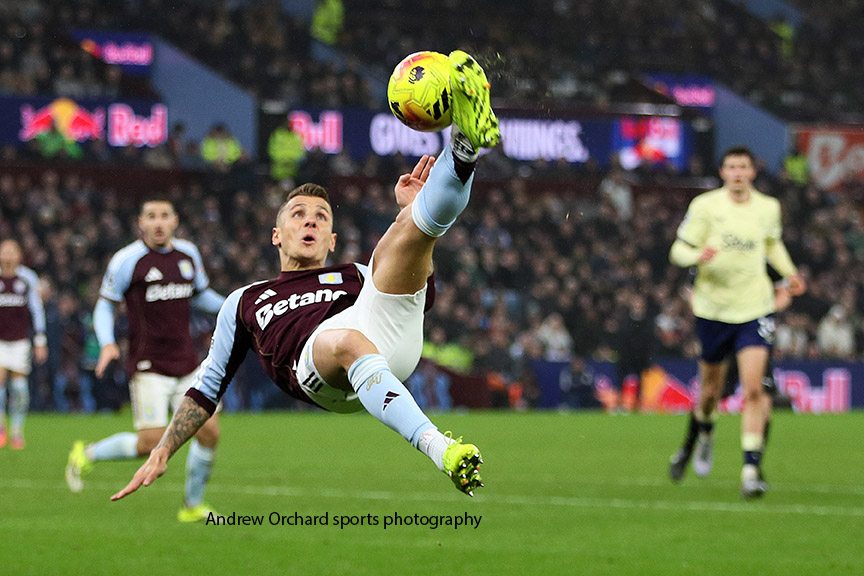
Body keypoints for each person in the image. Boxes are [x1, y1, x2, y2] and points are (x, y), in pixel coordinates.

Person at [111, 50, 500, 504]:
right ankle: (444, 450)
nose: (310, 221)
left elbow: (418, 288)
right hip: (318, 369)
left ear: (332, 239)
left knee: (408, 232)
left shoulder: (353, 275)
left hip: (387, 342)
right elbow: (207, 386)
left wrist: (410, 220)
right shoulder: (246, 300)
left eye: (321, 216)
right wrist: (162, 451)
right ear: (277, 235)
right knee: (348, 334)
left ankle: (465, 148)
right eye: (298, 214)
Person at [65, 198, 226, 523]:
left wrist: (238, 305)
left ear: (175, 220)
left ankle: (191, 506)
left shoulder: (188, 254)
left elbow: (202, 296)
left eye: (164, 216)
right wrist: (108, 343)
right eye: (151, 216)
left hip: (188, 362)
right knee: (150, 443)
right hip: (148, 365)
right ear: (141, 222)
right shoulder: (127, 260)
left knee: (209, 432)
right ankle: (87, 452)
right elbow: (104, 305)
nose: (158, 223)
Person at [666, 146, 806, 499]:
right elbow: (678, 251)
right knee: (710, 392)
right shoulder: (706, 206)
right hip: (713, 309)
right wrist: (699, 255)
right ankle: (706, 435)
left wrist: (789, 274)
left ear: (753, 172)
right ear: (723, 172)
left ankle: (749, 471)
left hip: (755, 307)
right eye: (732, 167)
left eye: (744, 166)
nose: (738, 172)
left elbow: (771, 244)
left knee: (755, 390)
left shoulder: (768, 207)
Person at [0, 239, 47, 449]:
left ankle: (17, 431)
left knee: (19, 389)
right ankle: (1, 428)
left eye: (12, 252)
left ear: (19, 255)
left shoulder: (27, 278)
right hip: (0, 342)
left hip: (20, 342)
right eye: (5, 252)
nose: (8, 256)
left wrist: (40, 340)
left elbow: (36, 310)